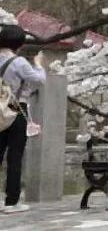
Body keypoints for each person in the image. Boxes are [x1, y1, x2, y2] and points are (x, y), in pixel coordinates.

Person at [0, 25, 46, 214]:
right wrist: (39, 64)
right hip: (15, 110)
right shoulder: (19, 62)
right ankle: (11, 202)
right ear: (19, 43)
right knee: (15, 158)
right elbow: (39, 80)